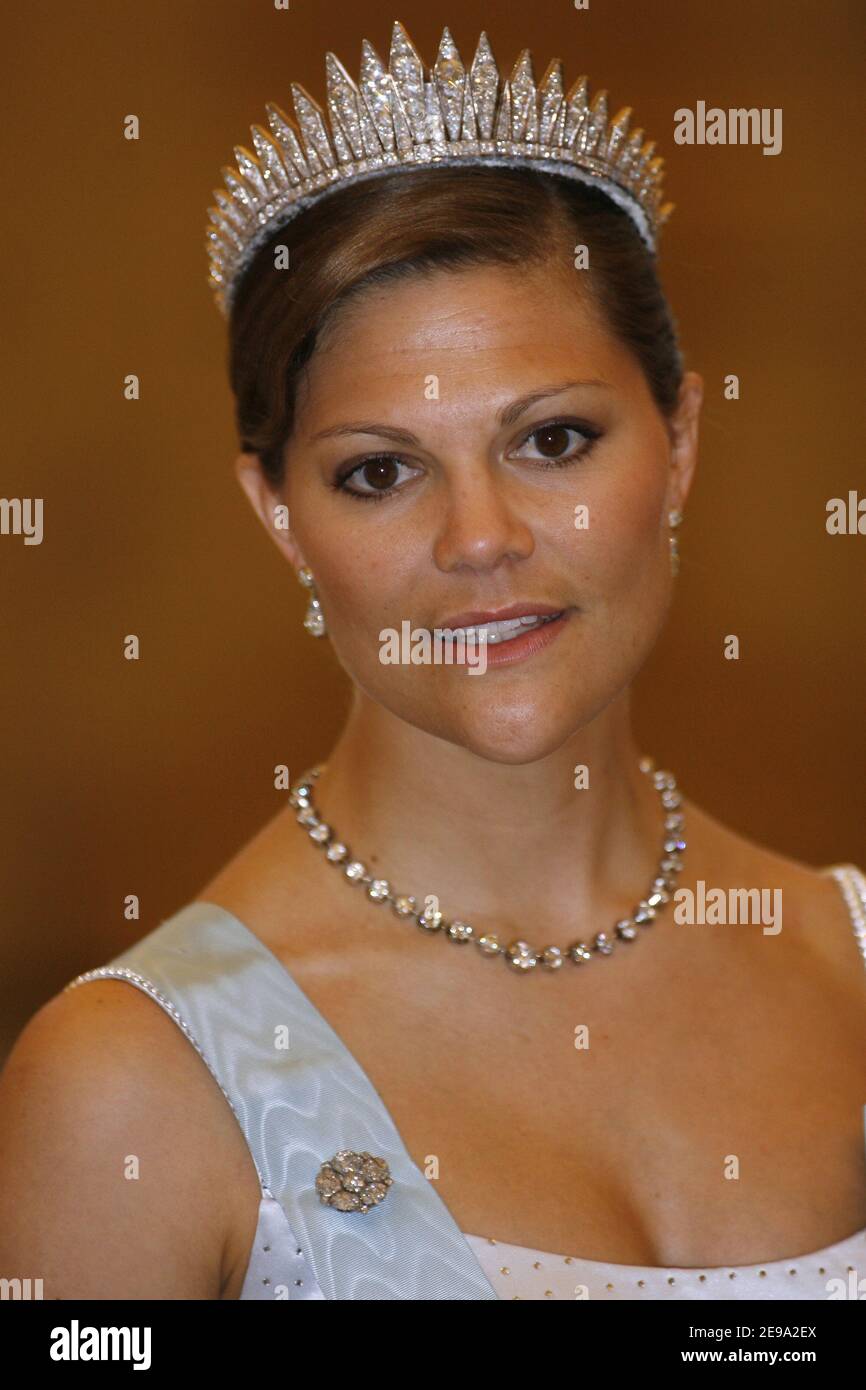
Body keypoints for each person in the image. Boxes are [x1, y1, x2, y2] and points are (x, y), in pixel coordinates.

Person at [1, 20, 864, 1302]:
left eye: (553, 440)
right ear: (280, 516)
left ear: (677, 442)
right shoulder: (130, 1083)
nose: (478, 539)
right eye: (379, 471)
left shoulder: (849, 957)